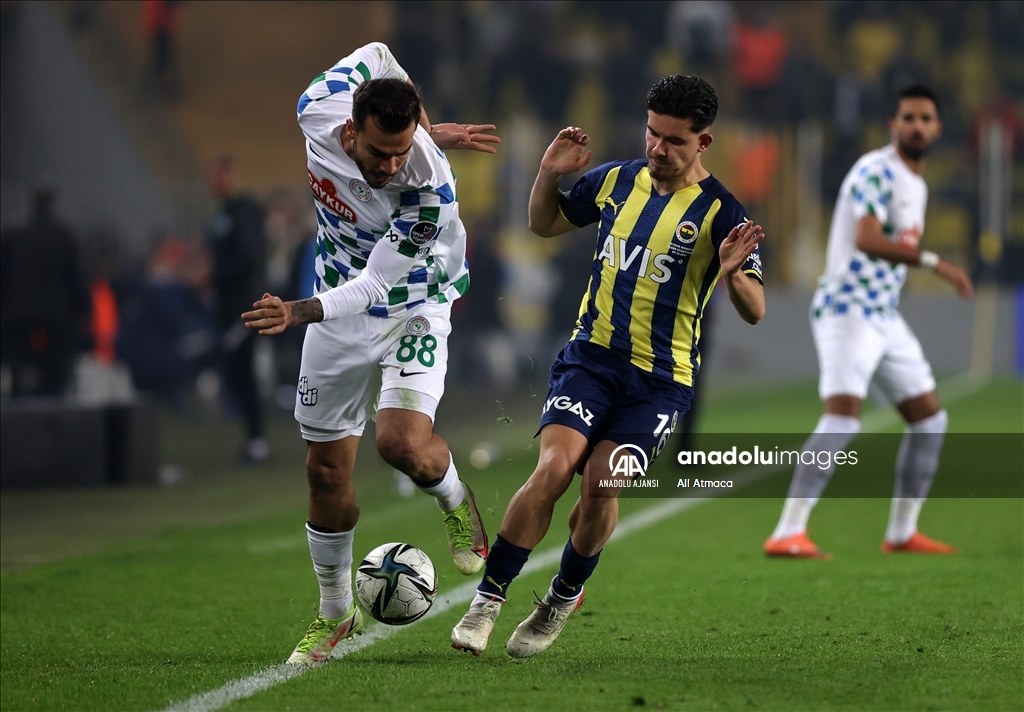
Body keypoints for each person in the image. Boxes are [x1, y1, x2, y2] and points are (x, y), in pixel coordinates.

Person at [451, 75, 766, 658]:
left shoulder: (724, 213)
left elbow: (755, 310)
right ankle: (488, 601)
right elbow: (543, 224)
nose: (658, 148)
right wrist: (548, 174)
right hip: (590, 359)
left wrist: (731, 272)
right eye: (652, 133)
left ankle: (561, 597)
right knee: (553, 468)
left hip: (660, 384)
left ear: (704, 142)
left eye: (674, 140)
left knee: (601, 485)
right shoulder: (617, 180)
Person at [241, 42, 500, 664]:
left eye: (402, 151)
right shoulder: (315, 107)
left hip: (414, 300)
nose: (391, 166)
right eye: (381, 152)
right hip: (337, 304)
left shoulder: (429, 185)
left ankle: (455, 500)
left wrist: (296, 311)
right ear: (350, 129)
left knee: (400, 445)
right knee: (325, 471)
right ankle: (336, 613)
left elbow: (377, 285)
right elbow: (380, 53)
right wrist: (427, 127)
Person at [763, 84, 973, 559]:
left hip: (883, 314)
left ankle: (901, 533)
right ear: (893, 125)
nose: (917, 126)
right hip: (848, 307)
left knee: (930, 420)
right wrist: (935, 262)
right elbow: (867, 238)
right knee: (842, 416)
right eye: (908, 117)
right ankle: (787, 531)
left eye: (925, 119)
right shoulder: (876, 170)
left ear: (937, 128)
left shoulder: (916, 185)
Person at [206, 157, 270, 463]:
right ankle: (254, 438)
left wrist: (213, 274)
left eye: (220, 177)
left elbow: (247, 257)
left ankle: (257, 440)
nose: (214, 183)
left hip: (244, 308)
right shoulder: (224, 213)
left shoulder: (243, 212)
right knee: (239, 373)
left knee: (244, 373)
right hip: (232, 307)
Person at [0, 188, 91, 397]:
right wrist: (83, 311)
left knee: (18, 372)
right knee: (56, 375)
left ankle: (19, 401)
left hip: (19, 318)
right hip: (56, 318)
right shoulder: (63, 236)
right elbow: (75, 277)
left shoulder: (14, 236)